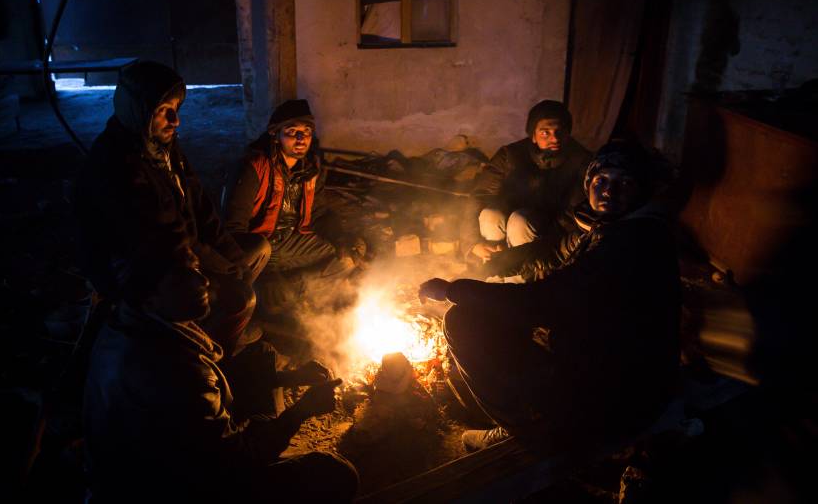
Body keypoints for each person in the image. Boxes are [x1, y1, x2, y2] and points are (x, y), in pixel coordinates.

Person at [420, 140, 681, 452]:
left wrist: (454, 290)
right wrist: (500, 262)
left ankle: (526, 428)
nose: (609, 191)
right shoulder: (618, 228)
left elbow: (542, 303)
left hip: (613, 404)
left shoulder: (630, 243)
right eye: (601, 181)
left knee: (462, 321)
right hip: (616, 378)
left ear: (641, 189)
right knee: (495, 314)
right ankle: (536, 416)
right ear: (589, 185)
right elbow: (557, 250)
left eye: (624, 182)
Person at [83, 256, 358, 503]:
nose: (201, 279)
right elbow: (236, 461)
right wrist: (300, 411)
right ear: (150, 297)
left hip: (165, 449)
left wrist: (290, 377)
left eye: (195, 268)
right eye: (182, 277)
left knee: (260, 355)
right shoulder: (174, 372)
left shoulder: (130, 321)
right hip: (171, 485)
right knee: (334, 474)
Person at [76, 60, 268, 357]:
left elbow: (203, 210)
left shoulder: (163, 149)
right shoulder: (118, 166)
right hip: (143, 272)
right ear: (139, 111)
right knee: (240, 296)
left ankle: (214, 323)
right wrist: (221, 267)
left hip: (182, 252)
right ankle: (209, 356)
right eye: (163, 111)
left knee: (255, 251)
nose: (175, 120)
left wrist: (231, 257)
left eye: (176, 108)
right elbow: (164, 237)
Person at [461, 100, 591, 274]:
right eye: (545, 133)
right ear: (533, 135)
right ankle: (493, 274)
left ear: (568, 133)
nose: (554, 138)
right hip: (507, 225)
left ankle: (522, 284)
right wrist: (473, 243)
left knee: (520, 221)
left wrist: (523, 254)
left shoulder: (581, 161)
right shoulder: (510, 155)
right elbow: (479, 196)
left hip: (549, 235)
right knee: (490, 215)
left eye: (560, 131)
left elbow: (572, 217)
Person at [223, 99, 340, 278]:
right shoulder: (255, 167)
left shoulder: (311, 169)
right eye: (292, 132)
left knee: (345, 252)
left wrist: (341, 237)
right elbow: (234, 225)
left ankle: (300, 292)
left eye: (306, 131)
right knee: (258, 250)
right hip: (263, 245)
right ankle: (263, 291)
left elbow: (318, 213)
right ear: (276, 135)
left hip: (293, 241)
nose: (301, 139)